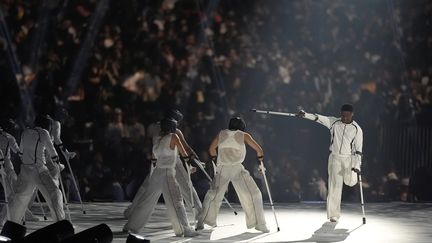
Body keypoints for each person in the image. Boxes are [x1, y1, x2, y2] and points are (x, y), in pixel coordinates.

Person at [123, 118, 198, 237]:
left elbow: (153, 158)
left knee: (146, 201)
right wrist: (191, 165)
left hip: (157, 173)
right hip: (167, 173)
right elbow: (184, 154)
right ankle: (185, 229)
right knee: (177, 202)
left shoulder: (156, 139)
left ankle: (131, 226)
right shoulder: (174, 137)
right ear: (172, 127)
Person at [196, 117, 269, 233]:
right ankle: (259, 223)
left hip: (222, 168)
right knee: (254, 194)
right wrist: (260, 161)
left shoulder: (222, 133)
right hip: (236, 169)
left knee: (213, 195)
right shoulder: (244, 135)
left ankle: (201, 221)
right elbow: (259, 150)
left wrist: (216, 159)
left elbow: (211, 149)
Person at [296, 103, 363, 222]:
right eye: (343, 116)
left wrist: (357, 166)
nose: (345, 118)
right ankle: (333, 214)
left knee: (351, 182)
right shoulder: (334, 122)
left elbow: (358, 150)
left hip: (349, 158)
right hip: (335, 157)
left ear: (352, 114)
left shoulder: (357, 129)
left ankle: (353, 176)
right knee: (335, 186)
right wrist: (305, 115)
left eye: (347, 116)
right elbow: (319, 118)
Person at [7, 115, 65, 223]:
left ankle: (12, 223)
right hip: (39, 169)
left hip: (25, 170)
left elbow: (21, 151)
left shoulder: (25, 132)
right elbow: (51, 149)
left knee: (20, 198)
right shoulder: (44, 132)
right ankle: (60, 222)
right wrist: (56, 160)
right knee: (55, 194)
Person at [0, 121, 39, 223]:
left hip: (5, 167)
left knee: (14, 194)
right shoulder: (9, 137)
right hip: (5, 168)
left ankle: (24, 213)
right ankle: (7, 218)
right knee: (15, 194)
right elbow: (18, 151)